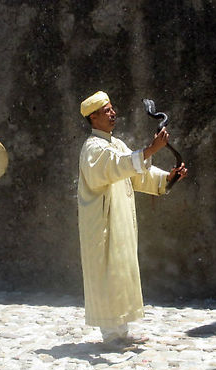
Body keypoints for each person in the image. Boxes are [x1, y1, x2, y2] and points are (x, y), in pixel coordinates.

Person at [78, 91, 187, 346]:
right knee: (106, 272)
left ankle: (122, 331)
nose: (113, 113)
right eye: (106, 110)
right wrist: (151, 149)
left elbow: (138, 174)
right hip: (103, 224)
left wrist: (168, 178)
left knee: (121, 270)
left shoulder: (116, 144)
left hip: (121, 221)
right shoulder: (93, 148)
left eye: (112, 109)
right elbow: (116, 166)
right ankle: (110, 333)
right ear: (93, 117)